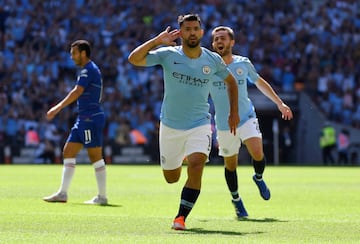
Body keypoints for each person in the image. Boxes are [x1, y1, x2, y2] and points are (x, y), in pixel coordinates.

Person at [128, 14, 239, 230]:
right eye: (187, 29)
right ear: (181, 33)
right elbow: (133, 59)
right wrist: (156, 41)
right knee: (171, 178)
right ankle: (183, 155)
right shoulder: (169, 55)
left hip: (200, 124)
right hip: (170, 126)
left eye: (195, 28)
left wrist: (233, 112)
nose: (192, 32)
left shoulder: (212, 59)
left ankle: (180, 218)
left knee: (197, 165)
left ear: (201, 32)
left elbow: (231, 83)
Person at [210, 26, 294, 218]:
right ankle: (237, 200)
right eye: (216, 39)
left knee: (257, 152)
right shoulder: (208, 67)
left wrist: (280, 104)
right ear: (213, 44)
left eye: (223, 38)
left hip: (246, 116)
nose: (219, 42)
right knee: (230, 165)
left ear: (232, 42)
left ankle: (258, 177)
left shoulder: (242, 63)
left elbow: (259, 82)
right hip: (224, 124)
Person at [43, 40, 108, 205]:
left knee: (95, 156)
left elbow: (77, 91)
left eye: (74, 53)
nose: (71, 57)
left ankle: (102, 197)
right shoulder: (88, 70)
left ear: (83, 53)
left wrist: (57, 108)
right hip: (83, 118)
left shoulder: (88, 70)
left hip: (90, 119)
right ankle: (62, 193)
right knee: (68, 151)